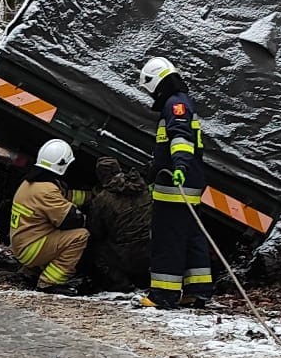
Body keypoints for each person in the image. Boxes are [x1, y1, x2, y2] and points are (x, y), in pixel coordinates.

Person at [139, 56, 212, 309]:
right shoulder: (181, 102)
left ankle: (164, 294)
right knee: (192, 238)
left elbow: (180, 138)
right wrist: (153, 174)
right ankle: (198, 290)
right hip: (187, 183)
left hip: (175, 186)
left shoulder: (175, 104)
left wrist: (179, 167)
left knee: (168, 238)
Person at [8, 139, 88, 294]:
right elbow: (70, 219)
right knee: (80, 236)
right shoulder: (47, 191)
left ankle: (30, 272)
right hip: (31, 249)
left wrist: (91, 196)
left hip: (22, 244)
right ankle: (49, 282)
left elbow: (65, 196)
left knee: (49, 228)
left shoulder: (31, 183)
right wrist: (86, 218)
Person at [82, 154, 151, 293]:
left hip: (126, 256)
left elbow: (95, 231)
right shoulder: (141, 188)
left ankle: (120, 283)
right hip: (151, 251)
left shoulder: (102, 200)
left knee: (97, 248)